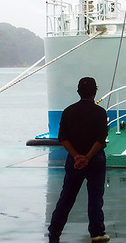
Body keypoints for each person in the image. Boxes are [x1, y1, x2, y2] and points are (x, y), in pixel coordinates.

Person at [48, 77, 110, 243]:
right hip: (95, 160)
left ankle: (54, 232)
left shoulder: (68, 111)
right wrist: (88, 157)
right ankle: (97, 233)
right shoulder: (100, 113)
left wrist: (76, 156)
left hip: (73, 161)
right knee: (95, 197)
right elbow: (100, 140)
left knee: (67, 197)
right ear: (95, 92)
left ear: (78, 92)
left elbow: (63, 138)